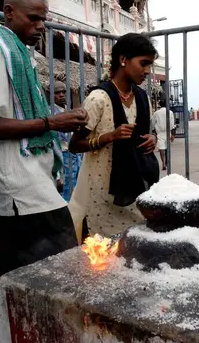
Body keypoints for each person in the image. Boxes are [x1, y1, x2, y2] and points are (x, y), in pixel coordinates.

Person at [0, 0, 87, 276]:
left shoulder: (19, 55)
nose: (41, 26)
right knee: (53, 265)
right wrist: (53, 123)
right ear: (9, 13)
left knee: (27, 271)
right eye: (33, 18)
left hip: (28, 178)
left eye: (43, 19)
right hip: (16, 185)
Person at [68, 33, 159, 242]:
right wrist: (108, 137)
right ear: (123, 59)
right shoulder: (98, 99)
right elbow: (74, 145)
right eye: (143, 63)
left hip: (136, 189)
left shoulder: (142, 97)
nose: (147, 71)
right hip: (102, 193)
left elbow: (144, 132)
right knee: (103, 255)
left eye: (150, 65)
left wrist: (151, 139)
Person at [49, 81, 83, 201]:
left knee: (77, 182)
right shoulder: (50, 112)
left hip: (75, 152)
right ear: (51, 95)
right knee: (68, 184)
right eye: (57, 92)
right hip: (62, 153)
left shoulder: (69, 111)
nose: (61, 95)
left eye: (63, 92)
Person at [152, 98, 176, 170]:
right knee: (167, 148)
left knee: (161, 148)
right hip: (168, 132)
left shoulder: (156, 113)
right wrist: (173, 134)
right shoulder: (170, 112)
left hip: (160, 132)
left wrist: (154, 132)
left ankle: (163, 163)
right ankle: (167, 162)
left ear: (159, 105)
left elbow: (153, 123)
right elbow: (172, 124)